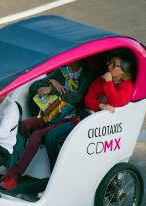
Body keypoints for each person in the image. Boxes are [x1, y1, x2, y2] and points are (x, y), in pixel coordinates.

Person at [0, 60, 94, 190]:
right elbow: (36, 86)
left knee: (37, 135)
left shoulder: (87, 75)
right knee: (24, 125)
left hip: (71, 117)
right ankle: (11, 165)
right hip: (53, 113)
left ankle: (15, 175)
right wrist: (51, 81)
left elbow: (77, 97)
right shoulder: (62, 70)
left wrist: (52, 89)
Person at [44, 52, 134, 181]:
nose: (109, 67)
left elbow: (116, 102)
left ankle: (59, 179)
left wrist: (108, 83)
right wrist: (100, 105)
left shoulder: (126, 85)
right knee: (52, 136)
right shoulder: (100, 80)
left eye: (114, 65)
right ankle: (55, 177)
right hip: (85, 119)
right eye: (110, 63)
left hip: (103, 128)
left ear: (123, 70)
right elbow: (88, 100)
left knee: (60, 140)